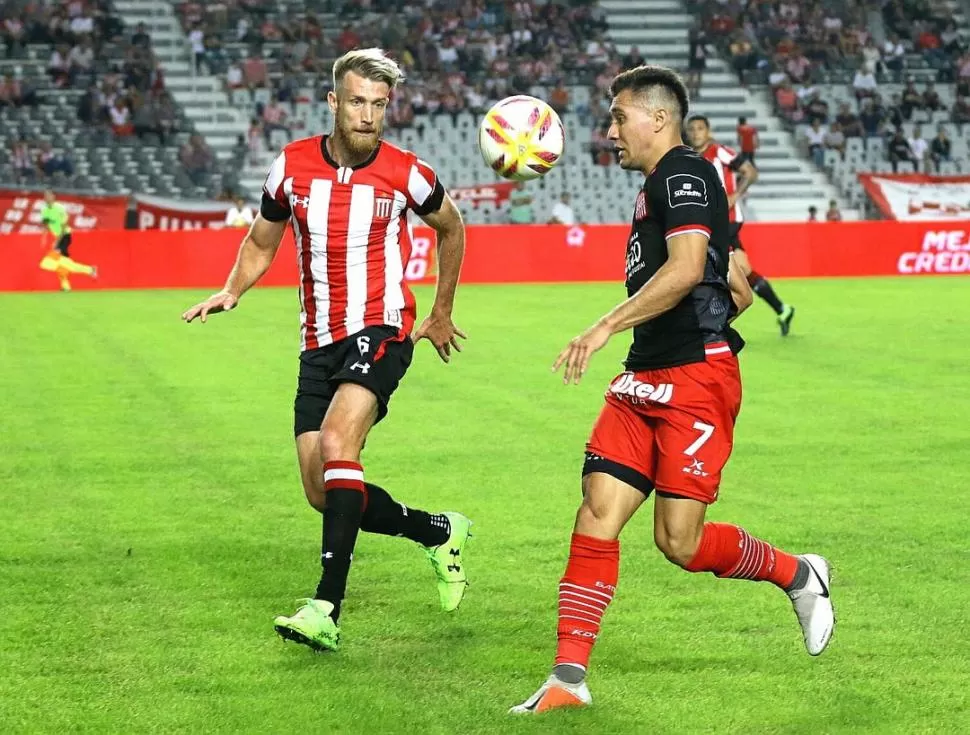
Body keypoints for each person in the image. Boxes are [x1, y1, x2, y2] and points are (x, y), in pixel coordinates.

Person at [511, 65, 834, 715]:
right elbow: (730, 285)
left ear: (657, 118)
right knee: (596, 514)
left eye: (618, 117)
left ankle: (800, 573)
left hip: (693, 382)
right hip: (643, 378)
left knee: (678, 542)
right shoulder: (656, 186)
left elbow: (688, 268)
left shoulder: (684, 172)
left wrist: (607, 324)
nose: (609, 132)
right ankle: (568, 678)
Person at [181, 48, 473, 653]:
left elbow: (452, 226)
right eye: (359, 102)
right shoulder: (289, 166)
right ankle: (438, 531)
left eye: (380, 105)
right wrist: (232, 289)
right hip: (318, 341)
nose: (369, 116)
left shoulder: (406, 171)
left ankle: (325, 607)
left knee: (340, 445)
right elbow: (263, 239)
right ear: (335, 103)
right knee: (324, 490)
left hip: (384, 326)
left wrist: (441, 310)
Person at [687, 114, 796, 336]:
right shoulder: (691, 158)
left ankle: (712, 324)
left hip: (725, 222)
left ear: (708, 132)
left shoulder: (719, 151)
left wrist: (734, 196)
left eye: (700, 128)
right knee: (744, 271)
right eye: (692, 129)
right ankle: (783, 309)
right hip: (712, 222)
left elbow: (750, 172)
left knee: (714, 269)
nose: (696, 132)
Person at [38, 189, 97, 292]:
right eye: (44, 196)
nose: (46, 198)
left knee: (46, 263)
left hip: (65, 236)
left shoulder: (60, 208)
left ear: (53, 196)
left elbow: (64, 226)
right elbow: (45, 225)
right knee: (63, 263)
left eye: (48, 195)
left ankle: (89, 270)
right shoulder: (44, 210)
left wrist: (57, 241)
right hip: (56, 237)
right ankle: (68, 285)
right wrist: (44, 238)